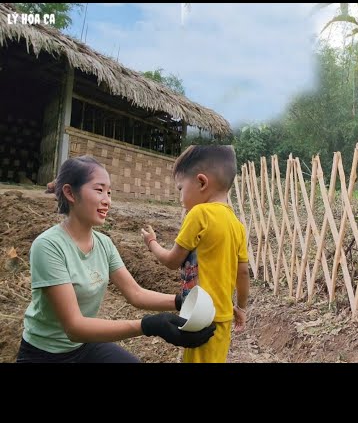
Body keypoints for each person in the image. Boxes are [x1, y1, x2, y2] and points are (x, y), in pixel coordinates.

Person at [17, 156, 215, 363]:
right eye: (99, 190)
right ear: (70, 193)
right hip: (44, 354)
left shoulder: (104, 244)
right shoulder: (48, 246)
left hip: (84, 346)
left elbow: (136, 294)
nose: (107, 200)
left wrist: (181, 302)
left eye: (109, 192)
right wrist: (148, 326)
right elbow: (74, 327)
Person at [141, 144, 250, 363]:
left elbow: (172, 261)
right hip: (223, 317)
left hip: (201, 315)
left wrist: (151, 243)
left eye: (180, 188)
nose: (180, 196)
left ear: (201, 182)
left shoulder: (199, 214)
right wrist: (241, 307)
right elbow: (243, 273)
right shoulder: (237, 225)